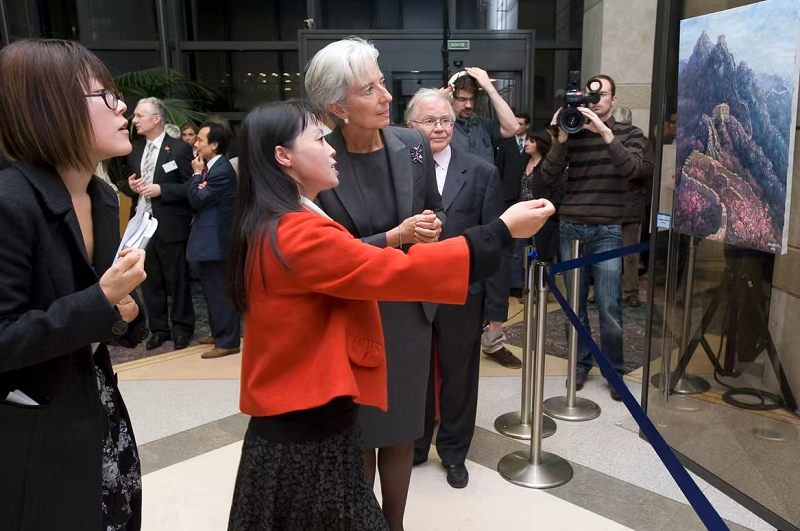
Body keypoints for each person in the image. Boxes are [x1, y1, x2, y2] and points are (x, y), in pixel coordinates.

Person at [225, 99, 555, 531]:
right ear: (283, 156)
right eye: (318, 138)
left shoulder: (279, 218)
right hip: (306, 435)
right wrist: (501, 230)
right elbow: (399, 270)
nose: (330, 148)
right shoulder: (296, 231)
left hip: (300, 425)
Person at [0, 39, 149, 530]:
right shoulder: (10, 203)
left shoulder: (102, 198)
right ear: (51, 107)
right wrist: (101, 300)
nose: (122, 104)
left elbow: (105, 312)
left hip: (99, 407)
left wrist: (124, 310)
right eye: (104, 95)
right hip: (35, 432)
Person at [305, 37, 444, 530]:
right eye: (371, 89)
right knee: (361, 433)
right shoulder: (319, 160)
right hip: (354, 313)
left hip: (408, 312)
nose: (387, 96)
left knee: (403, 428)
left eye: (383, 83)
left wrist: (433, 226)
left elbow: (433, 207)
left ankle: (396, 524)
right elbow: (324, 253)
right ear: (338, 107)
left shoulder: (412, 146)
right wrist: (394, 237)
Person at [406, 88, 508, 488]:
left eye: (446, 120)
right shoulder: (398, 168)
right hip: (409, 290)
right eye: (429, 121)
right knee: (413, 372)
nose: (440, 128)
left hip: (463, 292)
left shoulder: (480, 170)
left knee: (459, 375)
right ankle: (413, 444)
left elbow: (495, 242)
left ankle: (454, 452)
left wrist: (496, 308)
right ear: (410, 126)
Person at [542, 74, 646, 400]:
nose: (596, 100)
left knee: (609, 306)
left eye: (603, 96)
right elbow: (547, 175)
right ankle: (580, 363)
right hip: (571, 225)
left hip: (607, 230)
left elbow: (635, 171)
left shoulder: (630, 134)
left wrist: (605, 134)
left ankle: (613, 370)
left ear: (613, 100)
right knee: (575, 307)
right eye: (591, 95)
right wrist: (560, 139)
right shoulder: (572, 131)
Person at [121, 97, 195, 351]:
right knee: (150, 281)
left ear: (156, 119)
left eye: (140, 116)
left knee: (178, 281)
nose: (134, 120)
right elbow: (125, 183)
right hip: (142, 226)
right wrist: (130, 188)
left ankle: (182, 328)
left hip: (171, 226)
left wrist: (161, 189)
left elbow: (189, 187)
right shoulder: (133, 150)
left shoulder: (179, 149)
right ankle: (159, 329)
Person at [187, 123, 241, 359]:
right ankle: (219, 332)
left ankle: (227, 340)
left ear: (214, 145)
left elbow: (198, 199)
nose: (195, 144)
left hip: (217, 243)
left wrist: (197, 176)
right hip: (210, 241)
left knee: (219, 291)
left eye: (199, 140)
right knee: (211, 290)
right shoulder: (214, 167)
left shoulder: (220, 171)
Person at [444, 68, 518, 165]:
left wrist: (489, 88)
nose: (469, 105)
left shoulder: (482, 124)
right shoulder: (443, 127)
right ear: (450, 97)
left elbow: (513, 127)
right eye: (462, 99)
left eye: (472, 99)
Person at [519, 129, 561, 264]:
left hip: (541, 217)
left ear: (540, 144)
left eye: (531, 141)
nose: (526, 144)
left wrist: (546, 210)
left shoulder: (549, 166)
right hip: (521, 214)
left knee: (541, 255)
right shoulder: (522, 162)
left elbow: (558, 192)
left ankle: (541, 284)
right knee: (519, 254)